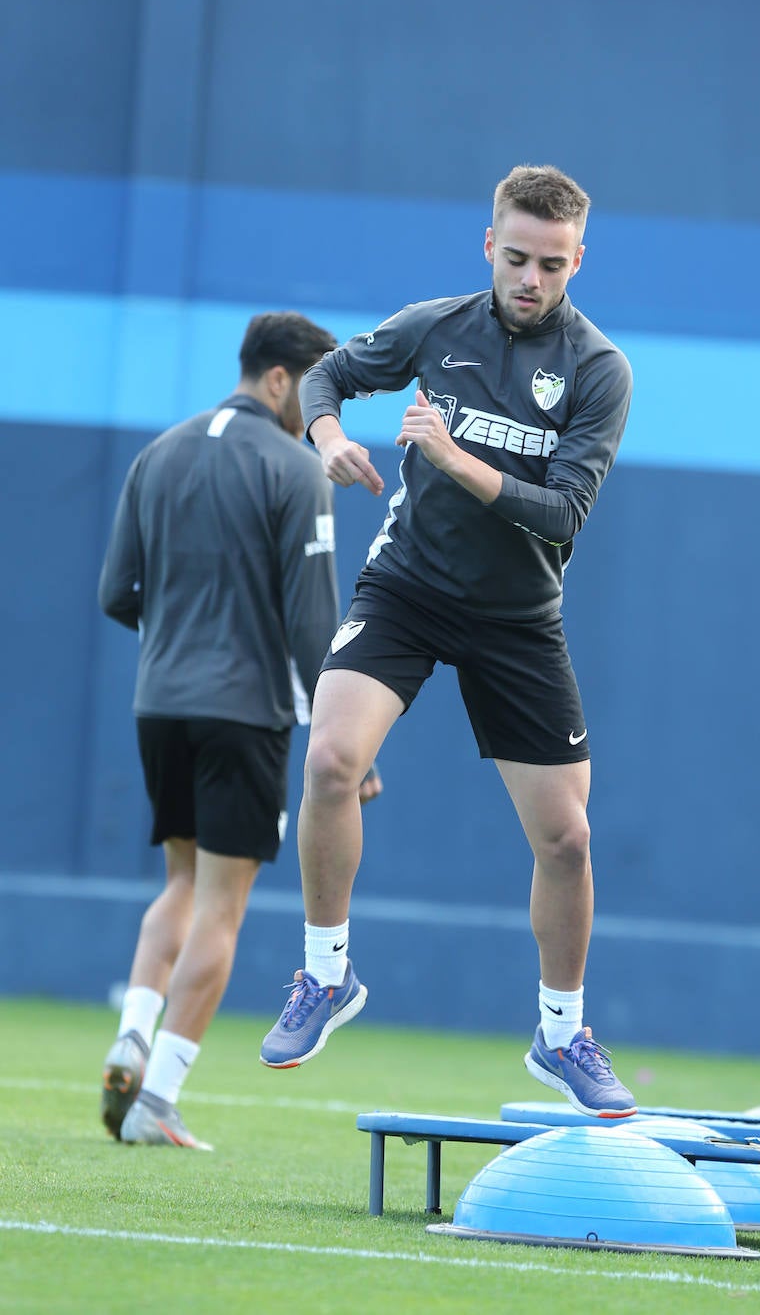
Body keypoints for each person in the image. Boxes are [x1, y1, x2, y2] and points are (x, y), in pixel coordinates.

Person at [259, 164, 637, 1117]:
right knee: (333, 760)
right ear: (489, 247)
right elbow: (328, 374)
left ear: (577, 260)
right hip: (409, 589)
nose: (531, 279)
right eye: (516, 258)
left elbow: (562, 516)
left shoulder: (597, 369)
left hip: (518, 620)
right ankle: (325, 975)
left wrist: (450, 456)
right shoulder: (438, 325)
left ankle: (561, 1036)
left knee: (566, 838)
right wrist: (329, 435)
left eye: (552, 265)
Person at [98, 311, 381, 1149]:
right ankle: (158, 1099)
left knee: (179, 884)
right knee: (224, 905)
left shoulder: (159, 453)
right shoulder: (296, 470)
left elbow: (119, 594)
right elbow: (312, 619)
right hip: (243, 710)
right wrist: (347, 739)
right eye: (319, 390)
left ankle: (133, 1030)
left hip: (159, 703)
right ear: (282, 380)